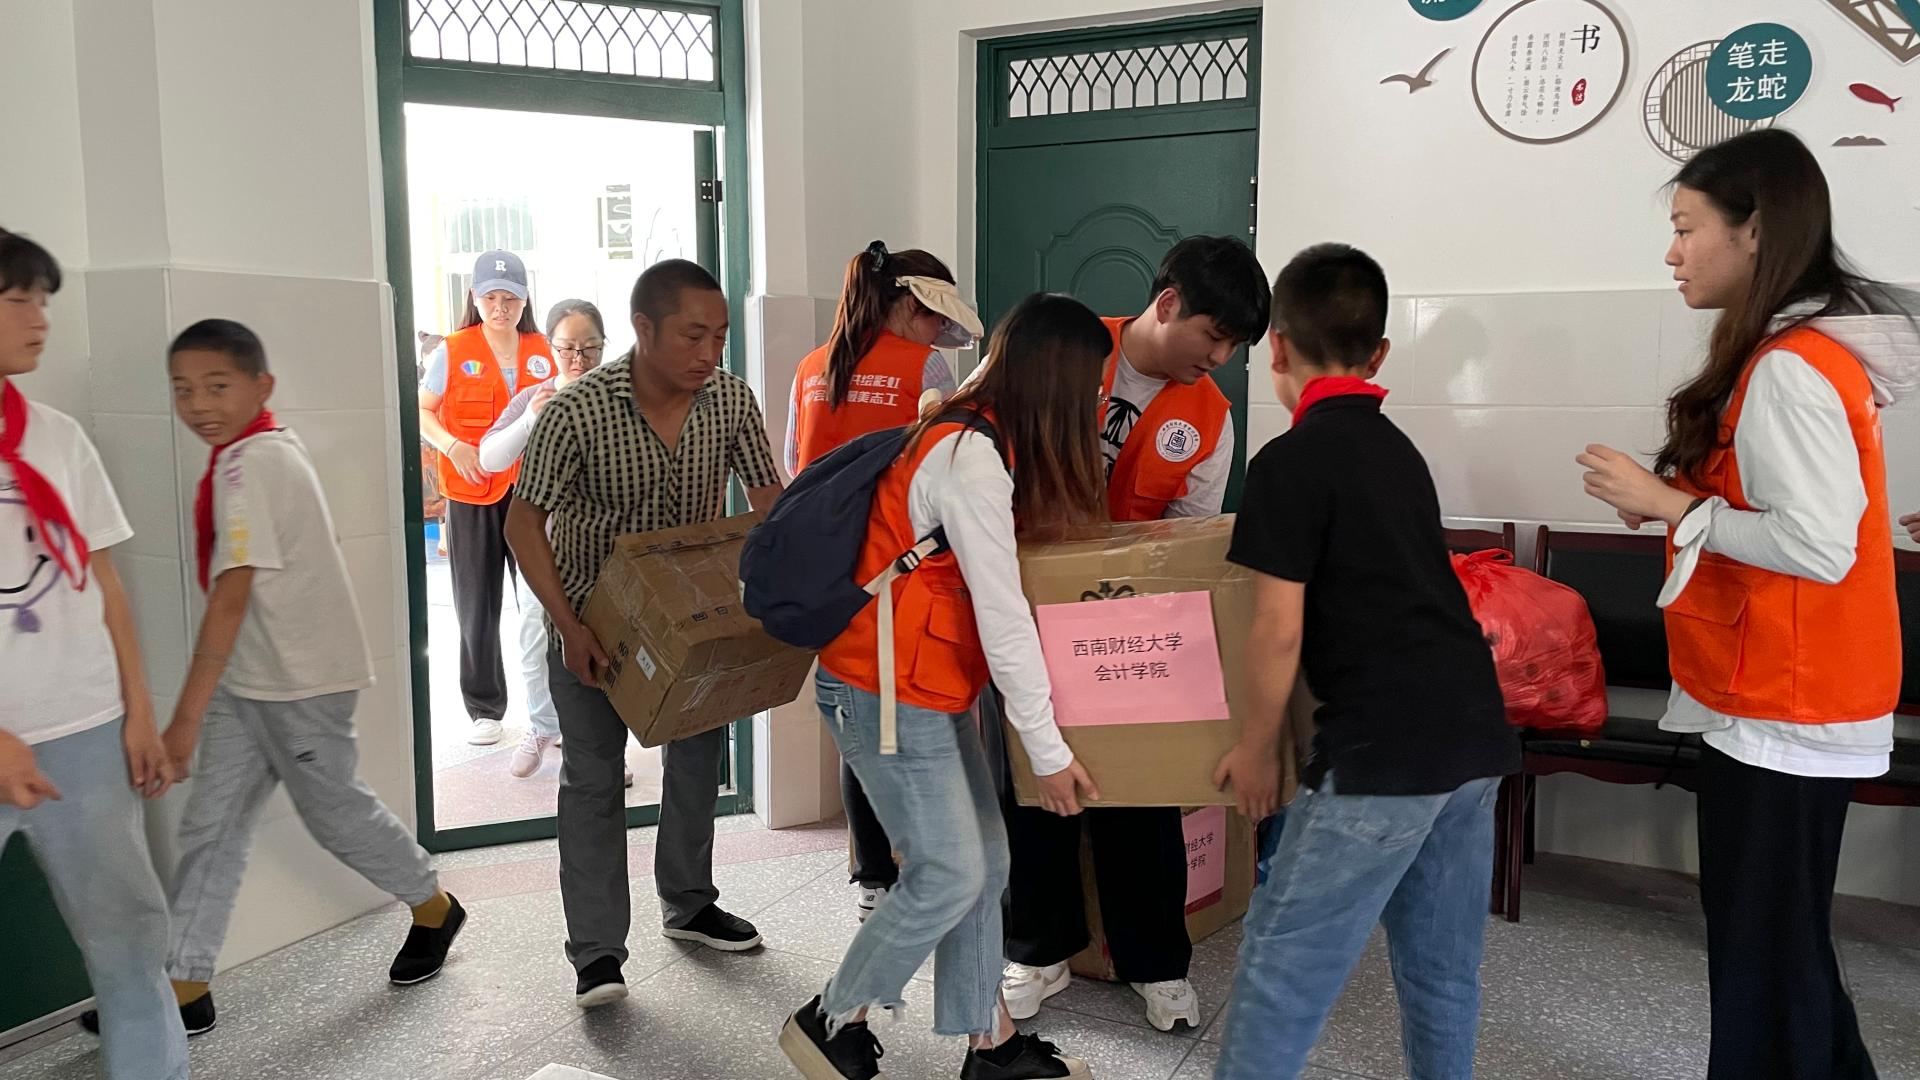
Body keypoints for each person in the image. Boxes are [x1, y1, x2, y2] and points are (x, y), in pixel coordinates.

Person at [1578, 129, 1915, 1079]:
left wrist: (1675, 509)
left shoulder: (1791, 369)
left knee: (1765, 960)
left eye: (1688, 228)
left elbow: (1817, 545)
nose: (1673, 252)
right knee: (1782, 947)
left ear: (1755, 231)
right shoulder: (1795, 356)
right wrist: (1683, 501)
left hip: (1786, 703)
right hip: (1786, 696)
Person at [779, 293, 1107, 1080]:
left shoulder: (973, 431)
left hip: (923, 686)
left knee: (983, 864)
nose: (1095, 402)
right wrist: (1048, 753)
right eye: (1091, 386)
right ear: (1057, 381)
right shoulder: (970, 459)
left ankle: (989, 1046)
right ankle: (833, 1019)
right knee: (950, 871)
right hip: (882, 691)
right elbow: (1004, 618)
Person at [1212, 243, 1520, 1080]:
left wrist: (1255, 747)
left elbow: (1277, 628)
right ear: (1379, 355)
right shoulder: (1399, 453)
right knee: (1441, 974)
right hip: (1475, 745)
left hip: (1381, 755)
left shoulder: (1289, 462)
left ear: (1276, 347)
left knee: (1281, 974)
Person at [115, 319, 463, 1037]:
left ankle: (434, 907)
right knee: (211, 825)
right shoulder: (252, 451)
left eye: (217, 385)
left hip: (302, 681)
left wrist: (182, 720)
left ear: (260, 386)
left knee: (335, 814)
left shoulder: (253, 465)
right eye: (183, 389)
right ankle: (185, 983)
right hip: (252, 674)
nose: (198, 404)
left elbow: (232, 592)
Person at [1000, 235, 1269, 1033]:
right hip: (1032, 612)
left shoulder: (1212, 420)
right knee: (1037, 785)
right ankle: (1038, 950)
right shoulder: (1071, 351)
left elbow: (1188, 544)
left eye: (1234, 347)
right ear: (1169, 303)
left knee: (1142, 796)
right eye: (1213, 336)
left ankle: (1156, 963)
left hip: (1133, 627)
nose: (1218, 359)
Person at [505, 260, 784, 1008]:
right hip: (591, 625)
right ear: (644, 329)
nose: (708, 352)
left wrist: (781, 586)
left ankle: (689, 904)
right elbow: (523, 524)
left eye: (719, 336)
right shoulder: (577, 411)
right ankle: (597, 952)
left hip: (691, 627)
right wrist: (568, 626)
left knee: (696, 764)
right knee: (593, 782)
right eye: (693, 335)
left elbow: (769, 497)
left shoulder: (729, 399)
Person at [0, 228, 185, 1080]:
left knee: (130, 944)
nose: (40, 319)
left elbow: (104, 582)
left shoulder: (58, 437)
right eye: (17, 300)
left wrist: (138, 714)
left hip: (85, 730)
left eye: (43, 300)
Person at [786, 240, 981, 922]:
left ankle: (873, 879)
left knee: (857, 728)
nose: (939, 330)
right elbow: (950, 471)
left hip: (832, 578)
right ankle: (933, 875)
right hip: (904, 573)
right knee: (912, 722)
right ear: (910, 305)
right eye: (935, 315)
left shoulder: (811, 368)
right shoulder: (924, 367)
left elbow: (794, 468)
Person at [477, 299, 634, 787]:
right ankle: (544, 726)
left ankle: (610, 747)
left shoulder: (623, 400)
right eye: (567, 348)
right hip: (543, 552)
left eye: (590, 348)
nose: (579, 359)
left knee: (610, 644)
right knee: (534, 636)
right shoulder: (534, 397)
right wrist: (530, 420)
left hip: (606, 551)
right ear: (549, 347)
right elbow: (489, 457)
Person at [418, 250, 553, 747]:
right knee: (477, 604)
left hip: (533, 494)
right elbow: (422, 410)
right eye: (491, 297)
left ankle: (551, 710)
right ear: (474, 298)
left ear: (525, 300)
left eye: (510, 298)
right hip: (471, 493)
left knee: (544, 601)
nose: (501, 307)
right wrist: (453, 445)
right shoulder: (451, 350)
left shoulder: (545, 349)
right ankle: (484, 708)